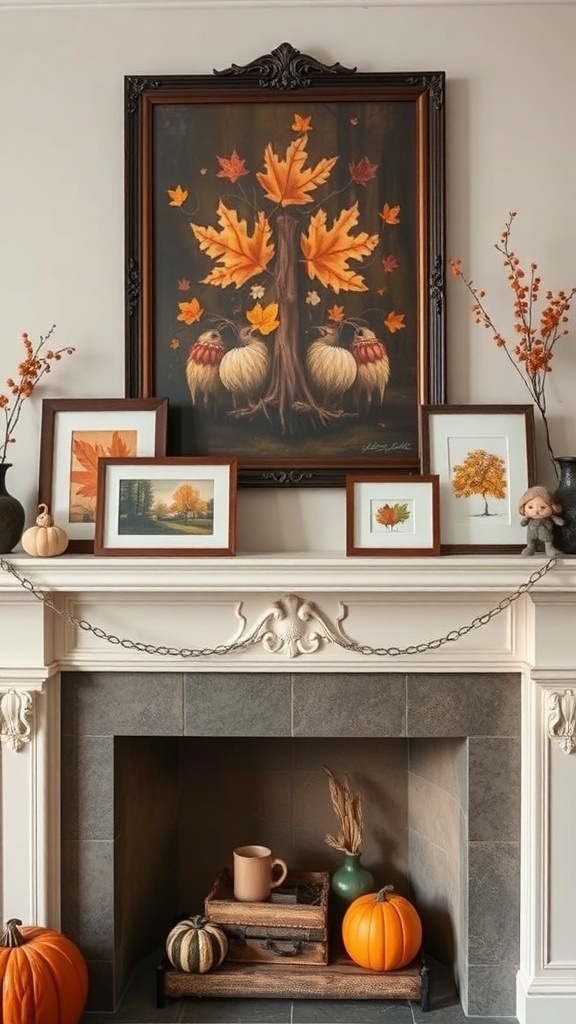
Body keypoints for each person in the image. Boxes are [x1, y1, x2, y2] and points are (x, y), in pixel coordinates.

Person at [518, 486, 564, 557]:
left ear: (553, 507)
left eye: (542, 507)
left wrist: (559, 521)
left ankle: (549, 549)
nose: (536, 511)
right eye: (530, 507)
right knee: (530, 541)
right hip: (531, 534)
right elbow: (523, 523)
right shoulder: (529, 518)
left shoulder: (549, 517)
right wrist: (524, 521)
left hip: (545, 533)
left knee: (548, 540)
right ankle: (530, 548)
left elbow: (560, 522)